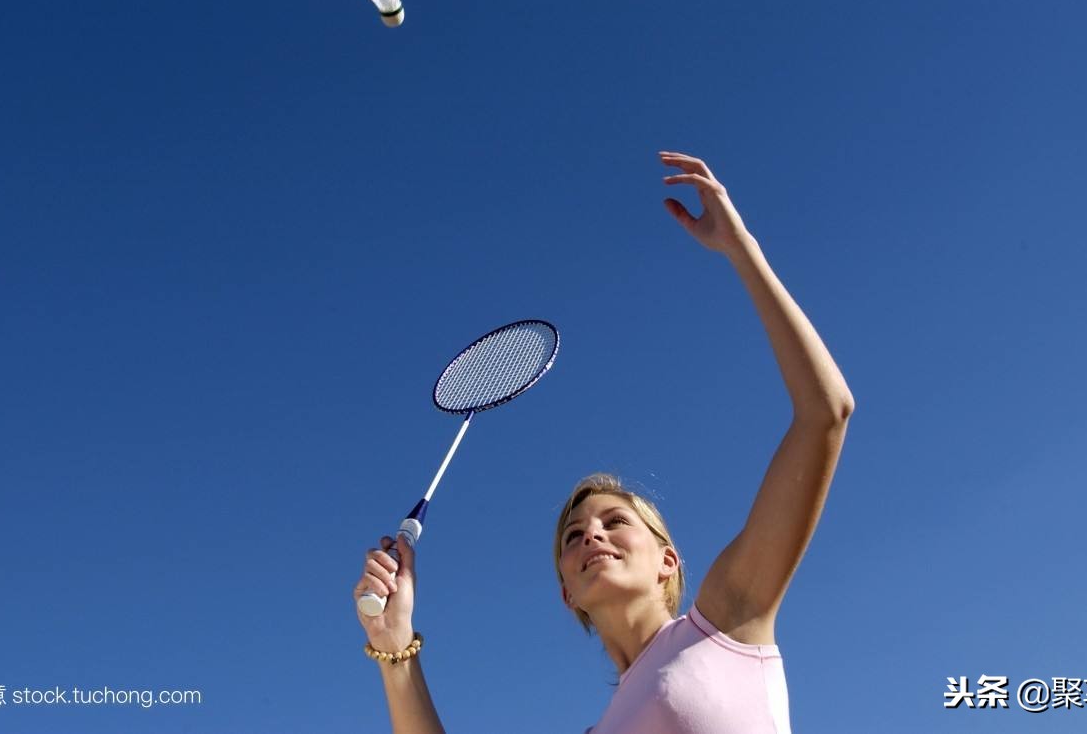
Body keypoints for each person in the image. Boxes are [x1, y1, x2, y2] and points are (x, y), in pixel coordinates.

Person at [352, 151, 855, 733]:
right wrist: (394, 649)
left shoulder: (728, 620)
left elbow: (825, 414)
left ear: (668, 560)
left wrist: (741, 249)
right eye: (573, 535)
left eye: (615, 522)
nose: (591, 533)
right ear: (567, 594)